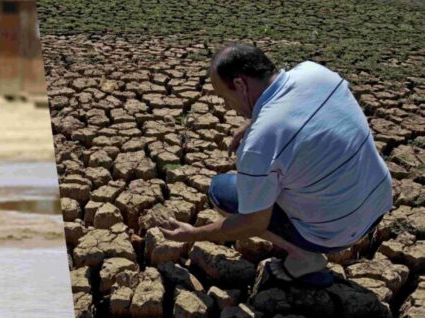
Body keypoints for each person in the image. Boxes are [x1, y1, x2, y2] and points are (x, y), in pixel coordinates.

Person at [161, 44, 392, 283]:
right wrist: (254, 120)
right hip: (377, 205)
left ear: (240, 85)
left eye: (224, 97)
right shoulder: (315, 72)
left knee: (222, 191)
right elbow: (299, 109)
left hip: (336, 234)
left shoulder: (260, 142)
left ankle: (304, 257)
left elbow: (253, 222)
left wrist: (193, 235)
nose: (226, 106)